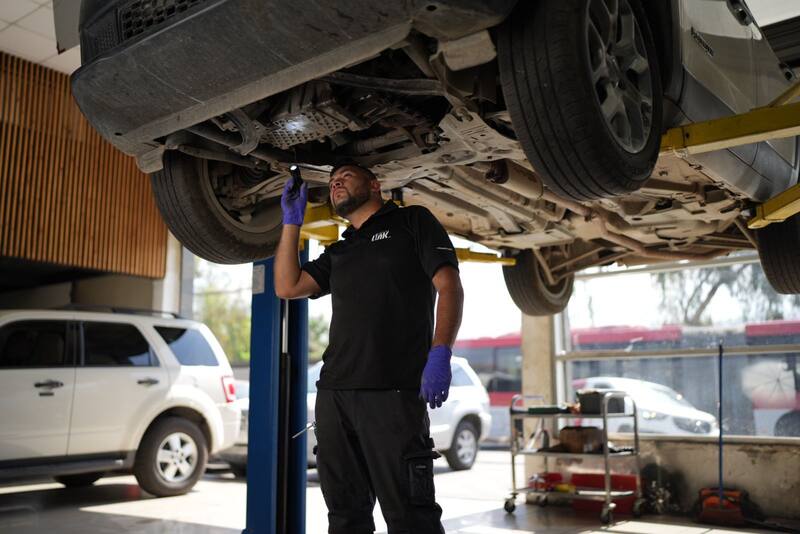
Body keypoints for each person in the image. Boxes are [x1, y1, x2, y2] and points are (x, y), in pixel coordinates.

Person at [274, 161, 464, 534]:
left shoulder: (412, 222)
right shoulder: (341, 249)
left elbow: (450, 287)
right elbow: (287, 286)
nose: (335, 183)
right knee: (345, 517)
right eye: (331, 182)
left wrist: (441, 351)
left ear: (375, 185)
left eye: (345, 176)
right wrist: (291, 223)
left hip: (392, 394)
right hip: (334, 396)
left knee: (411, 518)